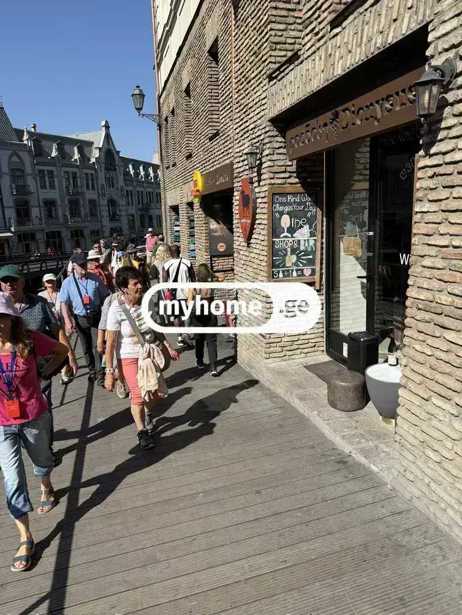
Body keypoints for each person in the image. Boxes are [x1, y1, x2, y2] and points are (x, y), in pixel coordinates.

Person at [0, 292, 68, 572]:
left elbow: (62, 350)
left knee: (42, 462)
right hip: (2, 424)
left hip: (33, 416)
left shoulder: (28, 340)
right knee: (13, 478)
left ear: (12, 318)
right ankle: (25, 537)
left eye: (2, 317)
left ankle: (46, 486)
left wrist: (44, 373)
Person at [104, 266, 179, 450]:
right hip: (127, 356)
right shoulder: (116, 308)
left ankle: (146, 410)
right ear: (124, 288)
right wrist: (109, 371)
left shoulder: (146, 301)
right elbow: (110, 343)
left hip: (148, 353)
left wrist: (168, 346)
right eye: (135, 283)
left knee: (154, 392)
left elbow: (155, 327)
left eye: (140, 282)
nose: (140, 286)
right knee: (138, 394)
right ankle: (142, 432)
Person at [59, 253, 110, 384]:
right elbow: (63, 303)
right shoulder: (67, 283)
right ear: (74, 266)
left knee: (97, 345)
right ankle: (92, 370)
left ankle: (100, 373)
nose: (83, 267)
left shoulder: (95, 279)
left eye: (84, 264)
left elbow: (105, 297)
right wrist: (67, 321)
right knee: (86, 347)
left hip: (95, 316)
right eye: (80, 265)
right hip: (80, 318)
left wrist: (107, 315)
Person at [38, 273, 76, 385]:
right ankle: (57, 370)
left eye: (52, 281)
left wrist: (71, 321)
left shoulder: (61, 294)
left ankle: (64, 373)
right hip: (48, 329)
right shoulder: (40, 296)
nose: (50, 283)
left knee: (65, 348)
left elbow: (68, 309)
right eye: (48, 281)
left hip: (62, 325)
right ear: (44, 283)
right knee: (55, 350)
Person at [186, 264, 218, 376]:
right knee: (211, 341)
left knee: (199, 339)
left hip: (198, 316)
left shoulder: (193, 286)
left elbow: (189, 303)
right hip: (211, 313)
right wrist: (212, 274)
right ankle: (213, 367)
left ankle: (200, 362)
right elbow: (221, 278)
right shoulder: (212, 284)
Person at [163, 244, 195, 348]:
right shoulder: (187, 263)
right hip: (187, 292)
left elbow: (164, 282)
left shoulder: (167, 265)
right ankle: (186, 333)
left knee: (176, 315)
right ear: (179, 251)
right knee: (187, 314)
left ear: (170, 253)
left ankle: (180, 337)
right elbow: (193, 278)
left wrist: (166, 294)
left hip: (174, 294)